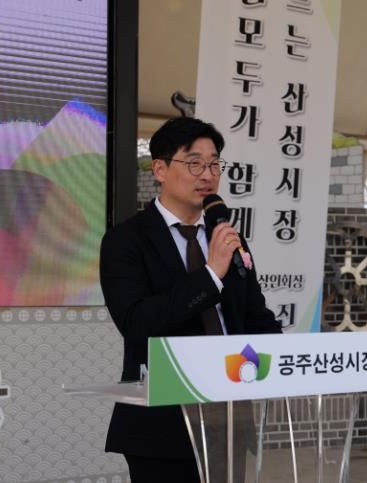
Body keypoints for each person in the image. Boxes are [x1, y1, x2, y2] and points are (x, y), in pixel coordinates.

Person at [99, 117, 282, 482]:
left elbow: (253, 316)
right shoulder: (126, 240)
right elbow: (137, 323)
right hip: (161, 427)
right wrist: (211, 274)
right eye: (194, 163)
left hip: (228, 416)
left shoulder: (226, 239)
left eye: (214, 164)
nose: (207, 175)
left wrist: (291, 360)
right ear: (160, 170)